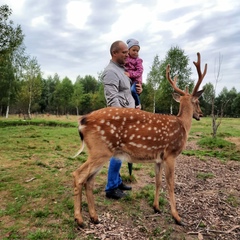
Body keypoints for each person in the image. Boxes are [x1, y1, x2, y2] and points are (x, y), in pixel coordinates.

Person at [102, 40, 143, 199]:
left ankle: (117, 181)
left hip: (128, 116)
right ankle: (111, 188)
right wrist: (123, 120)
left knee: (122, 152)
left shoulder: (122, 70)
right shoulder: (111, 72)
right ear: (114, 53)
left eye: (128, 52)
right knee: (118, 153)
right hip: (121, 120)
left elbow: (127, 93)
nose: (128, 55)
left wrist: (138, 89)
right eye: (124, 52)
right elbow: (112, 100)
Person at [125, 38, 143, 109]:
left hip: (136, 80)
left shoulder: (138, 60)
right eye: (134, 50)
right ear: (128, 50)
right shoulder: (125, 59)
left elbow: (140, 71)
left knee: (132, 90)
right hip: (129, 80)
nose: (136, 52)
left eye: (137, 51)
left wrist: (130, 74)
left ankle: (138, 104)